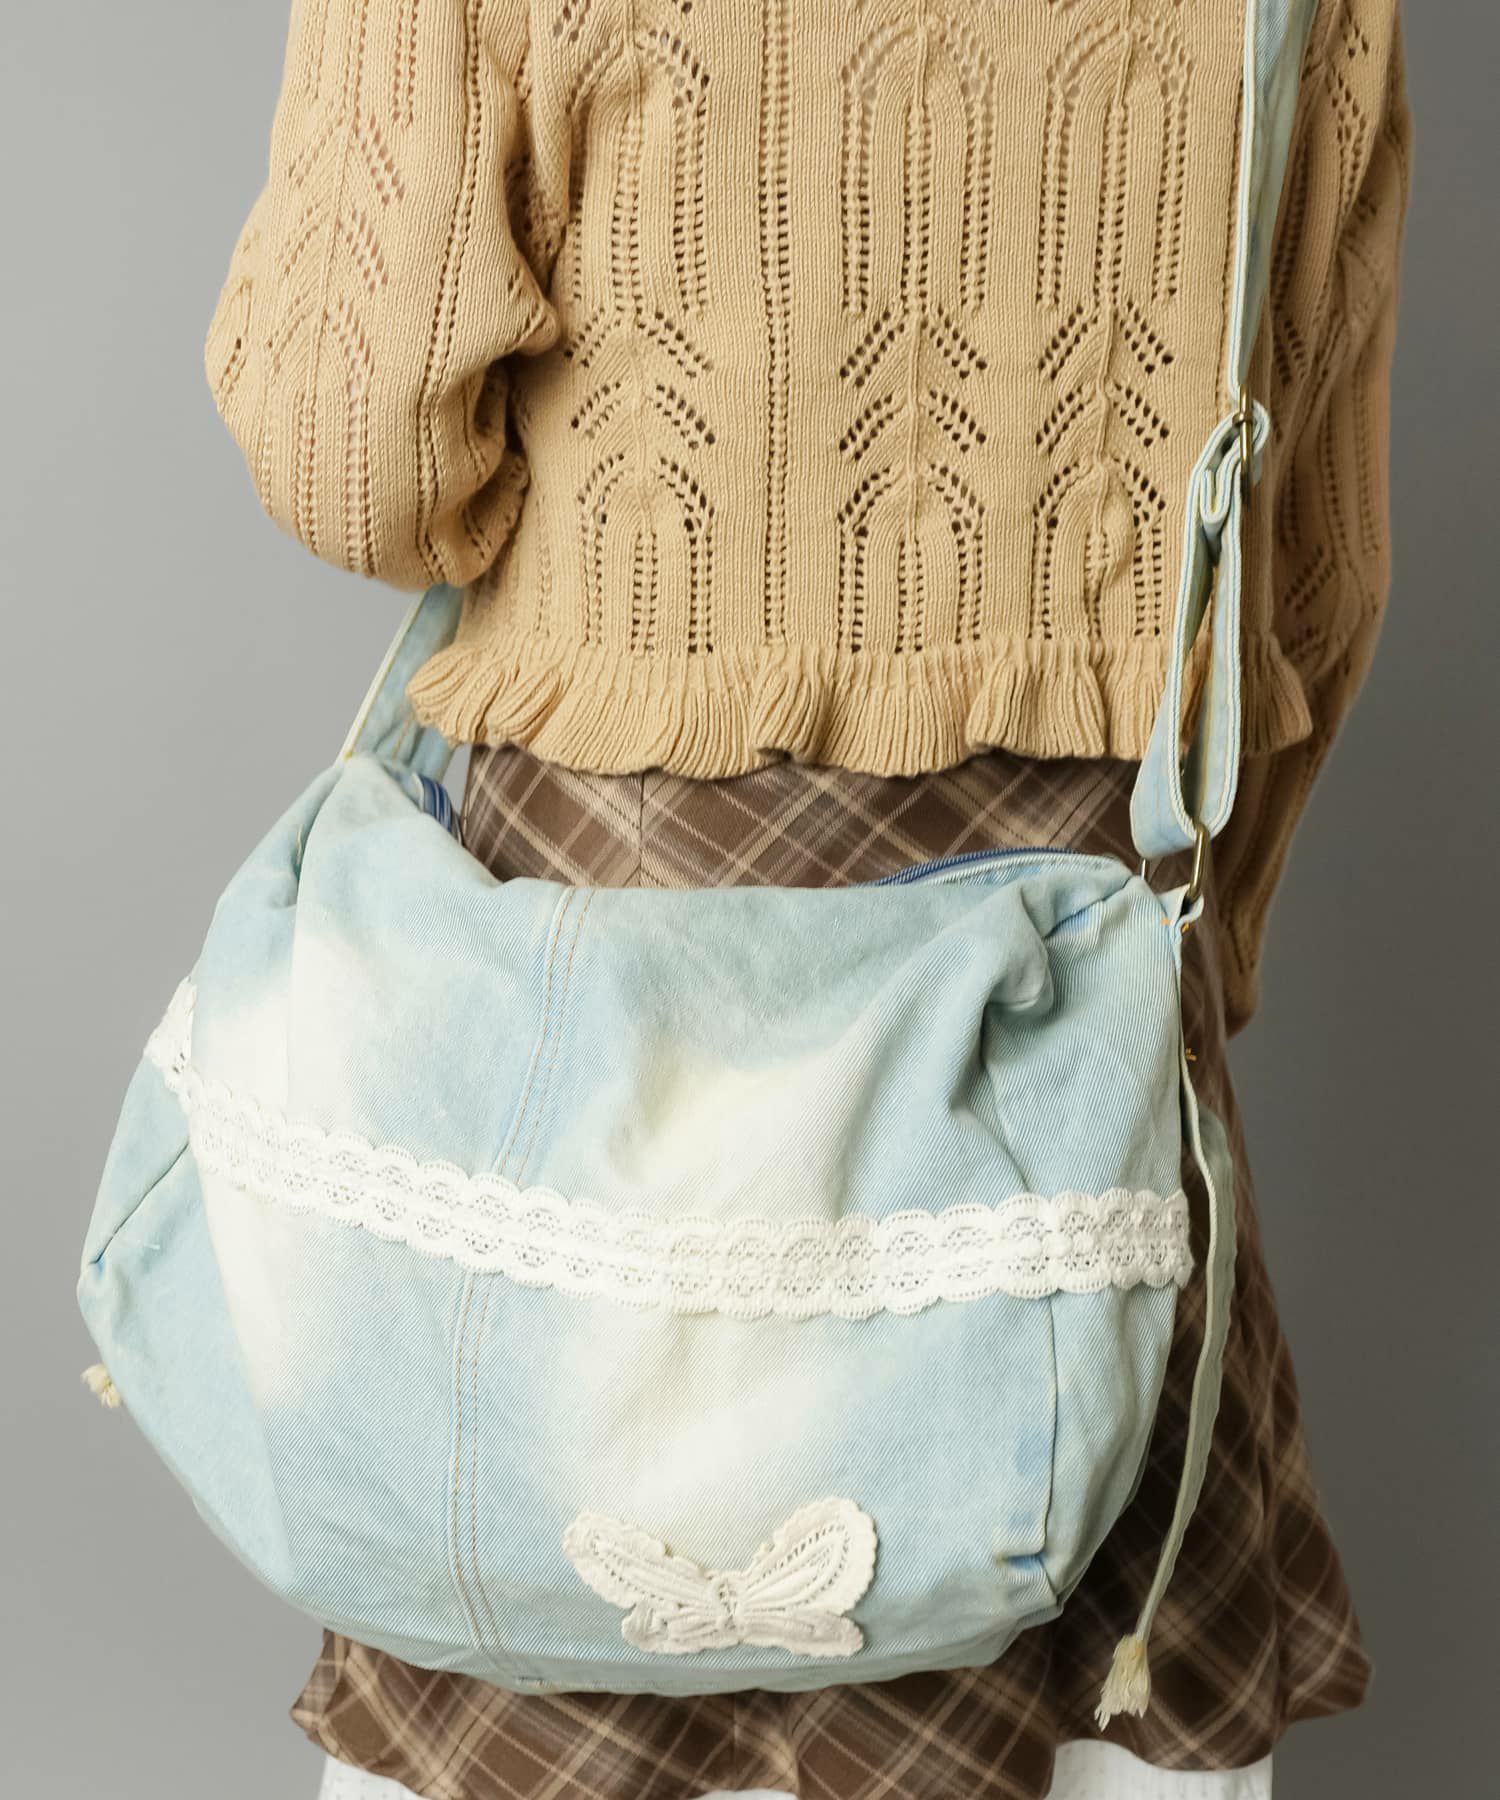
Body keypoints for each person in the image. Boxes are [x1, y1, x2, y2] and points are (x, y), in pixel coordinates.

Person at [202, 0, 1413, 1794]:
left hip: (601, 1003)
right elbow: (1301, 583)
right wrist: (1188, 985)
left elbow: (352, 462)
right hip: (1052, 1027)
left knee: (536, 1613)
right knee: (1080, 1665)